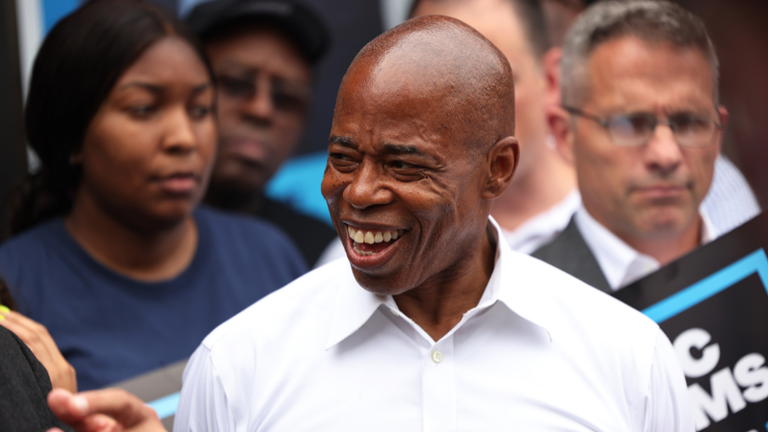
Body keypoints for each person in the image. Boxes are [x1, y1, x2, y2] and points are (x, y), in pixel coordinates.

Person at [172, 15, 693, 431]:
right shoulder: (236, 367)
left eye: (403, 166)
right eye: (344, 158)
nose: (359, 192)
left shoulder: (629, 358)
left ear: (498, 169)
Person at [0, 0, 306, 391]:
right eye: (144, 109)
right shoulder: (13, 287)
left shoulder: (268, 256)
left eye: (200, 109)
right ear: (71, 134)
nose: (183, 138)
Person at [533, 1, 725, 292]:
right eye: (630, 124)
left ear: (719, 132)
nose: (666, 155)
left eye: (689, 123)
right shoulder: (524, 306)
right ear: (564, 135)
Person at [184, 0, 338, 266]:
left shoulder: (327, 259)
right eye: (234, 84)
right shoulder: (120, 226)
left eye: (287, 99)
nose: (261, 110)